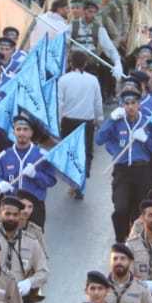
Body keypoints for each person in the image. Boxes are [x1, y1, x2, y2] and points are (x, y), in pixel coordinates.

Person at [97, 90, 152, 240]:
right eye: (126, 103)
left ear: (139, 104)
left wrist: (146, 140)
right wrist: (110, 119)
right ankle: (121, 241)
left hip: (142, 170)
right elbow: (99, 139)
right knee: (120, 208)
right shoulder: (117, 122)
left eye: (133, 103)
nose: (130, 107)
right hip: (122, 171)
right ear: (122, 106)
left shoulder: (147, 122)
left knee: (139, 211)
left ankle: (136, 242)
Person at [57, 50, 103, 198]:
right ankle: (81, 178)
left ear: (70, 63)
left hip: (68, 121)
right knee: (85, 151)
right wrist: (99, 118)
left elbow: (59, 103)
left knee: (70, 152)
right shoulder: (93, 80)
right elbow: (97, 102)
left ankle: (73, 181)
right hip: (86, 121)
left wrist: (58, 121)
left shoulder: (63, 80)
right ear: (85, 63)